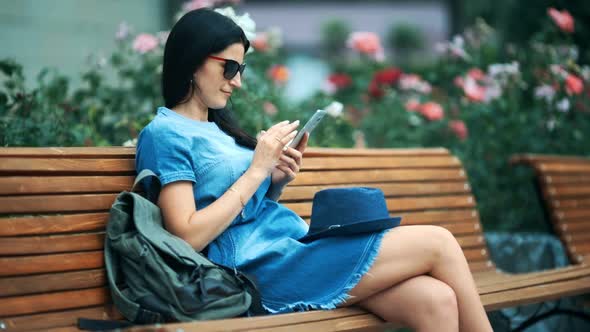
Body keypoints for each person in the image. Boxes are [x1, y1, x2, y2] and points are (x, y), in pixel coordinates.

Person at [135, 8, 493, 332]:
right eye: (229, 67)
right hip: (254, 270)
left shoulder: (219, 130)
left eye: (240, 69)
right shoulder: (165, 134)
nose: (237, 81)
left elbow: (246, 208)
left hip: (290, 246)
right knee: (440, 243)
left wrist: (274, 180)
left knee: (435, 301)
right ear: (193, 59)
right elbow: (187, 237)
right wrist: (257, 170)